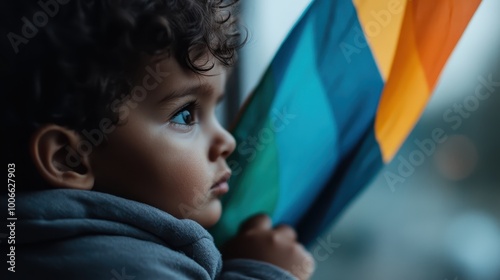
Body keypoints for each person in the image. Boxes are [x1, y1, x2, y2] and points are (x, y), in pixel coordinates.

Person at [1, 0, 315, 279]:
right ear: (69, 158)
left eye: (214, 110)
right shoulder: (123, 264)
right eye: (185, 115)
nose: (227, 141)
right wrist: (264, 271)